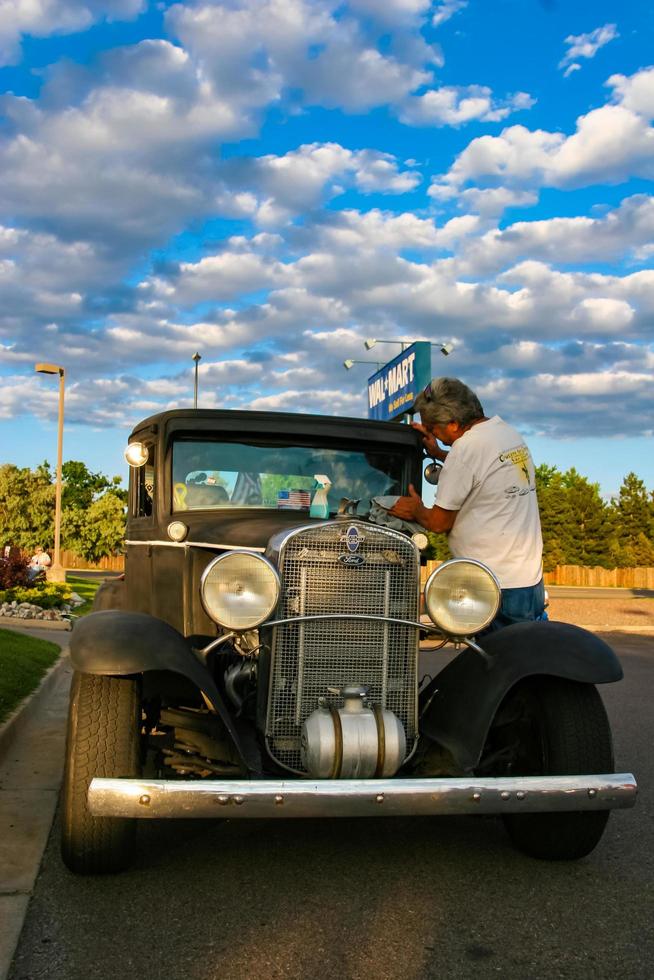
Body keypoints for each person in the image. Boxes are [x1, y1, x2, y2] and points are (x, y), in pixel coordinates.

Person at [390, 377, 545, 633]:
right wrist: (440, 455)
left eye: (433, 428)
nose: (435, 436)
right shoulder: (505, 433)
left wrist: (415, 509)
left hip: (492, 586)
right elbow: (484, 469)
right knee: (526, 657)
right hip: (528, 579)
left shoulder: (466, 449)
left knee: (496, 663)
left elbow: (439, 523)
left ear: (453, 423)